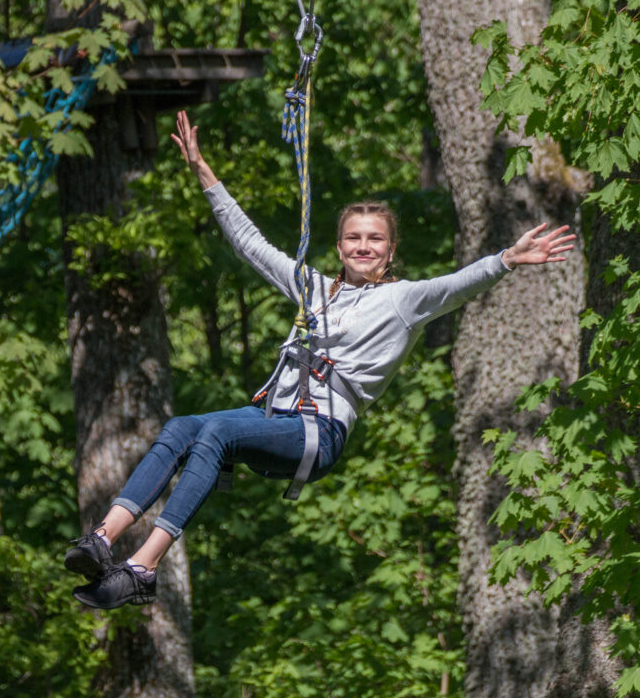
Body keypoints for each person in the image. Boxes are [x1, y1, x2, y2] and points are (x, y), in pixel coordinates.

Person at [66, 110, 576, 609]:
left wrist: (505, 260)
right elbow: (249, 243)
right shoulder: (314, 290)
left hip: (318, 431)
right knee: (181, 427)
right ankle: (104, 539)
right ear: (338, 245)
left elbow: (454, 287)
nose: (363, 246)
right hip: (273, 417)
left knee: (216, 435)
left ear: (391, 249)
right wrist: (205, 174)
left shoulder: (401, 300)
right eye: (354, 238)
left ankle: (144, 569)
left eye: (375, 239)